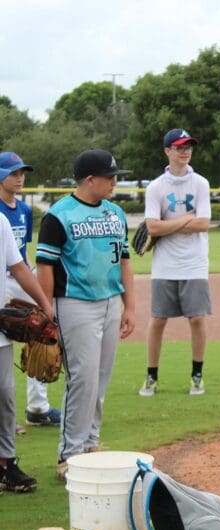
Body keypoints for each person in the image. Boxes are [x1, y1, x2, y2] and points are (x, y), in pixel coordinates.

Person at [36, 148, 135, 481]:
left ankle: (90, 444)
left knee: (101, 378)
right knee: (82, 378)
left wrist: (129, 305)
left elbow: (125, 261)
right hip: (74, 303)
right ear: (89, 179)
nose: (114, 182)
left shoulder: (115, 213)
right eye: (109, 177)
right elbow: (45, 266)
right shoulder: (59, 215)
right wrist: (47, 309)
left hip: (110, 301)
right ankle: (69, 454)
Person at [138, 129, 211, 397]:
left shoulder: (200, 183)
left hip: (194, 263)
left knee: (197, 318)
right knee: (158, 320)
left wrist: (167, 225)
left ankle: (197, 375)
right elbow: (152, 227)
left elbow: (203, 223)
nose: (185, 150)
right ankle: (151, 377)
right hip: (165, 264)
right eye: (179, 146)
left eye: (189, 146)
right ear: (167, 151)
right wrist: (184, 220)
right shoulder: (156, 186)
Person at [0, 152, 62, 430]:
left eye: (22, 172)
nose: (20, 178)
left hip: (20, 275)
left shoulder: (24, 210)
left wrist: (41, 298)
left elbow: (21, 257)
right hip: (2, 280)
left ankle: (38, 408)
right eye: (14, 173)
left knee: (41, 332)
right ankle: (4, 417)